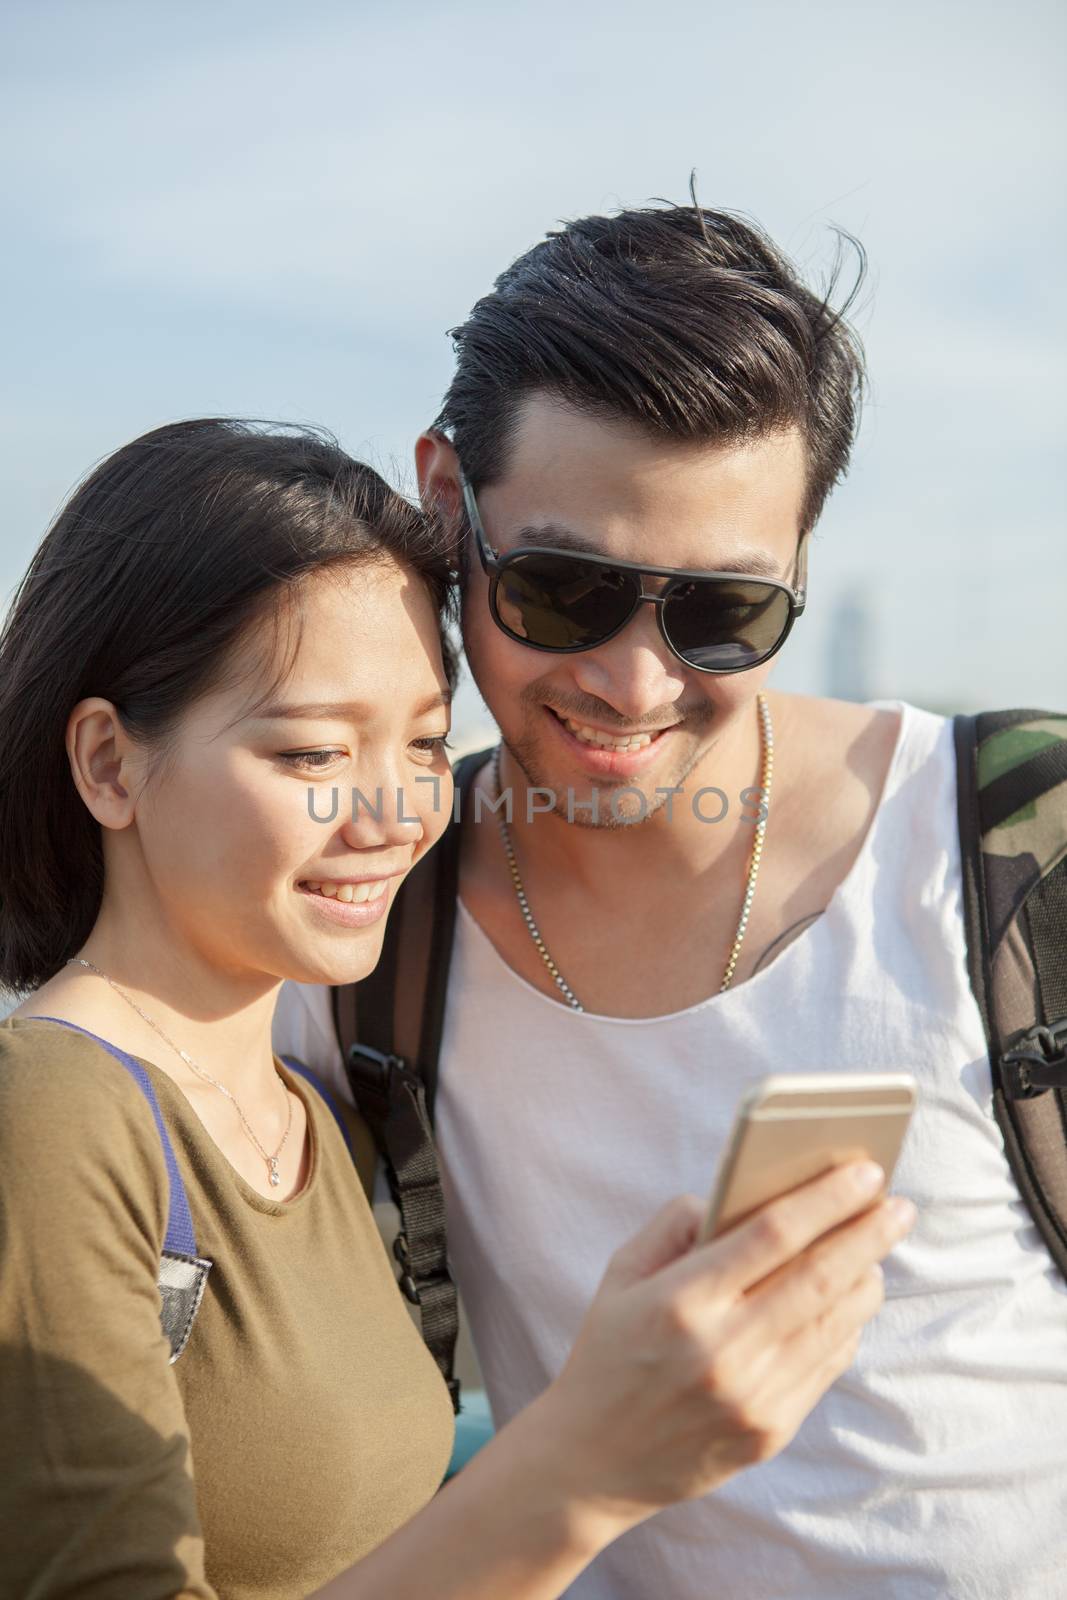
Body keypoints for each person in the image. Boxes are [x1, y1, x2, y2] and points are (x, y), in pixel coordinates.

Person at [273, 205, 1067, 1598]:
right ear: (445, 501)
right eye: (563, 590)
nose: (632, 687)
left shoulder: (1019, 846)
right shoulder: (355, 925)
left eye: (721, 615)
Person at [0, 418, 910, 1600]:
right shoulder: (57, 1112)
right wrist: (588, 1460)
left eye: (427, 741)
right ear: (110, 765)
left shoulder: (315, 1109)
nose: (391, 811)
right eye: (312, 754)